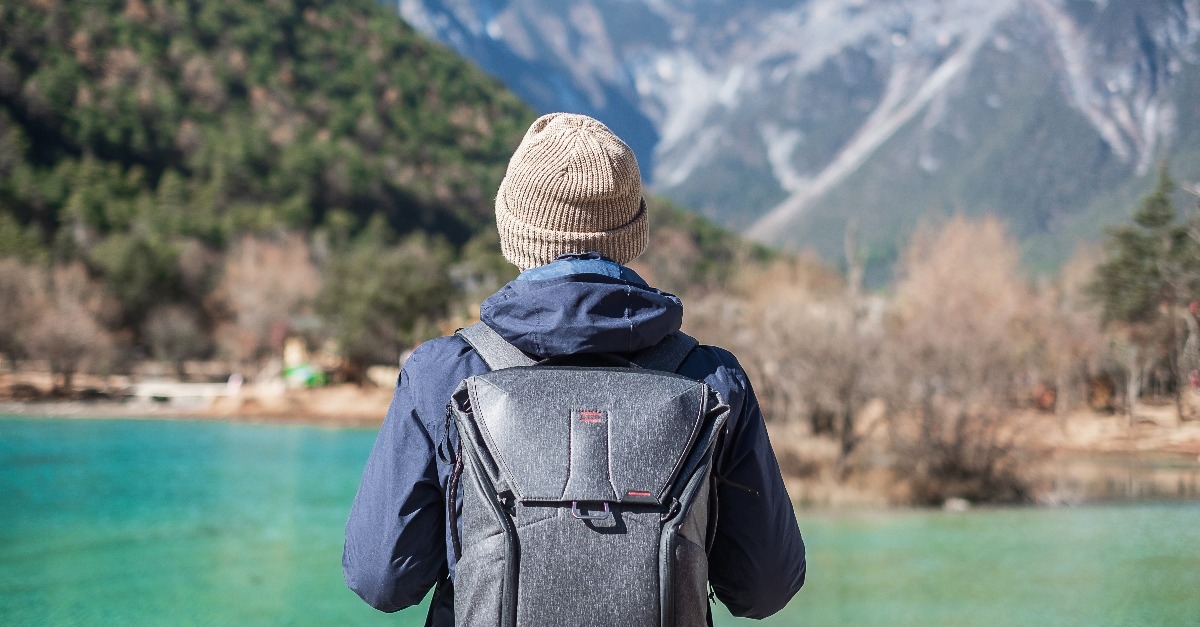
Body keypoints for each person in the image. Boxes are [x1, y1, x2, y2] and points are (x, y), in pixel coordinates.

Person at [343, 112, 806, 622]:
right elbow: (765, 589)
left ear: (513, 231)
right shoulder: (712, 381)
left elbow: (382, 579)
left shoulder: (444, 374)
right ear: (632, 234)